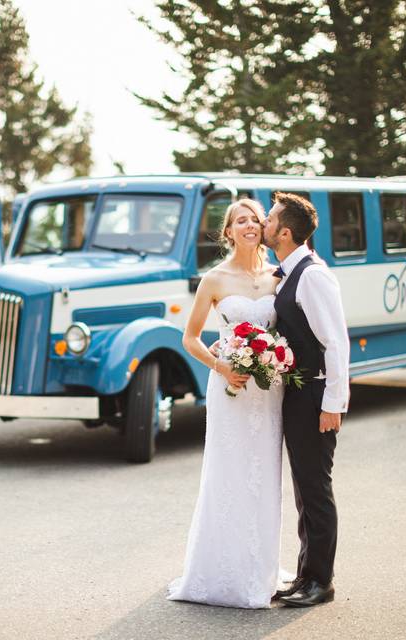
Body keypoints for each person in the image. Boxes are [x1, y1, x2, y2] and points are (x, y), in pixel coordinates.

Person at [167, 198, 293, 608]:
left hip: (269, 391)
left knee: (264, 476)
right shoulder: (214, 280)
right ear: (229, 232)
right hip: (231, 390)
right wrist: (221, 366)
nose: (249, 225)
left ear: (264, 227)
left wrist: (277, 357)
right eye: (240, 220)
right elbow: (189, 338)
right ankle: (222, 569)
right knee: (230, 474)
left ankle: (261, 568)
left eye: (255, 219)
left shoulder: (278, 276)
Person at [263, 192, 350, 607]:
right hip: (299, 394)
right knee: (303, 488)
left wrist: (333, 404)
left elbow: (336, 342)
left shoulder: (313, 275)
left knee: (315, 488)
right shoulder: (290, 272)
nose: (263, 222)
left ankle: (322, 581)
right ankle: (305, 574)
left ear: (284, 232)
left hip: (315, 394)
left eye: (269, 218)